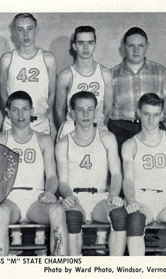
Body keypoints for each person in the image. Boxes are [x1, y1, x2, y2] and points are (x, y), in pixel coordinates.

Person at [0, 91, 67, 256]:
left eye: (25, 109)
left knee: (58, 211)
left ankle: (60, 267)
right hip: (10, 198)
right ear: (7, 112)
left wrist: (49, 192)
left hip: (36, 198)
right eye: (15, 110)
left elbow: (52, 176)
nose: (20, 114)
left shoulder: (44, 139)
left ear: (32, 111)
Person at [122, 93, 166, 256]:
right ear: (138, 112)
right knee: (135, 222)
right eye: (146, 114)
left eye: (156, 115)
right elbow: (127, 179)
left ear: (162, 115)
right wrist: (132, 200)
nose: (150, 120)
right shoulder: (130, 145)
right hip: (142, 200)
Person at [56, 91, 126, 256]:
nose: (86, 114)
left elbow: (116, 174)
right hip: (76, 198)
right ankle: (75, 268)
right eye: (80, 110)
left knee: (119, 215)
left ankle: (115, 270)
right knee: (72, 218)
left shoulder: (107, 138)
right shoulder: (63, 143)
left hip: (100, 197)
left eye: (90, 109)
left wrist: (114, 195)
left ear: (96, 111)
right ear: (72, 113)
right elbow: (63, 182)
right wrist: (67, 195)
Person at [109, 27, 166, 155]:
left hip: (154, 130)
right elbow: (104, 112)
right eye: (131, 45)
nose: (136, 50)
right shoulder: (111, 75)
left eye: (141, 45)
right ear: (123, 47)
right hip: (120, 131)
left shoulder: (160, 72)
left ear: (147, 46)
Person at [0, 13, 57, 137]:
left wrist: (44, 114)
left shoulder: (48, 58)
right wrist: (11, 113)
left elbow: (52, 92)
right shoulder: (7, 59)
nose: (26, 34)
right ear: (14, 32)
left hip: (39, 122)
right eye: (20, 29)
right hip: (13, 123)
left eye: (30, 29)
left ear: (36, 30)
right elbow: (3, 91)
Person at [56, 26, 113, 139]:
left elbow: (107, 108)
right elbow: (59, 111)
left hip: (98, 130)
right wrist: (68, 132)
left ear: (95, 45)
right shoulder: (66, 75)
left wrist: (98, 126)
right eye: (81, 43)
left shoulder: (105, 74)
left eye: (90, 43)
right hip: (73, 130)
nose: (86, 47)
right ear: (74, 46)